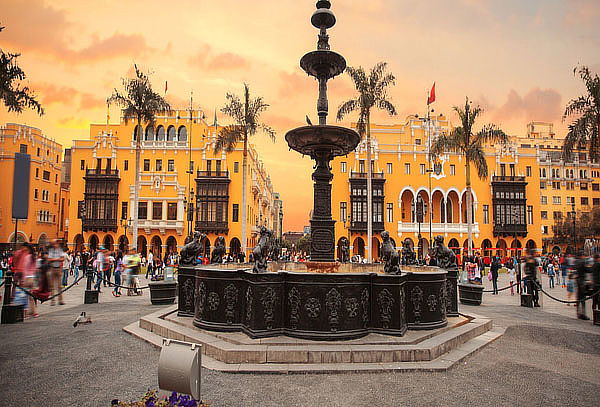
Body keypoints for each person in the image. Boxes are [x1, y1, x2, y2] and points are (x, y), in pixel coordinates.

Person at [47, 239, 65, 305]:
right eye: (54, 243)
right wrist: (58, 259)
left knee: (59, 285)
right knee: (52, 286)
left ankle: (60, 300)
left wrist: (54, 259)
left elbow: (62, 259)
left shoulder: (60, 250)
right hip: (52, 268)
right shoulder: (51, 250)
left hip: (58, 268)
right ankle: (53, 300)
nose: (55, 245)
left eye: (56, 243)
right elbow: (49, 259)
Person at [575, 251, 590, 320]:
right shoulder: (583, 262)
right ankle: (583, 313)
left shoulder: (577, 261)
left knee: (578, 297)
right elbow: (588, 270)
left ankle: (578, 313)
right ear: (582, 256)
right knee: (583, 297)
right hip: (582, 281)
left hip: (578, 280)